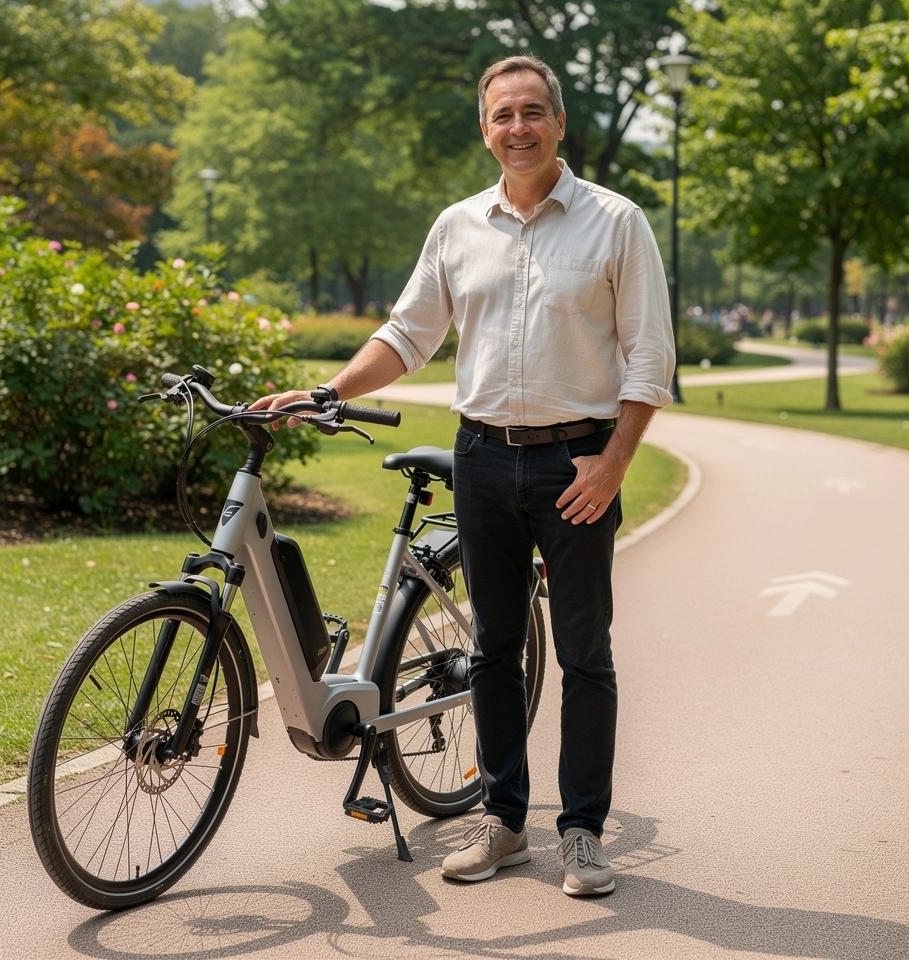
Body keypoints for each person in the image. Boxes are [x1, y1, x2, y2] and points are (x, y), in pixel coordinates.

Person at [252, 55, 675, 896]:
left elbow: (651, 357)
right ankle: (505, 821)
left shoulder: (615, 222)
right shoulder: (457, 226)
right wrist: (328, 390)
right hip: (483, 457)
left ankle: (584, 832)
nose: (516, 128)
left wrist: (614, 463)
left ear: (558, 123)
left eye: (531, 113)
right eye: (501, 115)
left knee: (586, 651)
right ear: (485, 130)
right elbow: (408, 335)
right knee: (491, 648)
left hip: (577, 462)